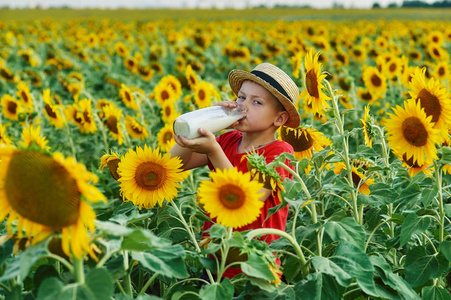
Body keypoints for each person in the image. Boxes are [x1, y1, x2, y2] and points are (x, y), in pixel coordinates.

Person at [169, 62, 300, 278]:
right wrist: (202, 123)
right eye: (241, 97)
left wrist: (213, 150)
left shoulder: (280, 153)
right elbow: (175, 164)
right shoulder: (228, 140)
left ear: (279, 119)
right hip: (215, 263)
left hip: (256, 269)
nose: (244, 106)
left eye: (256, 102)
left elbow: (251, 197)